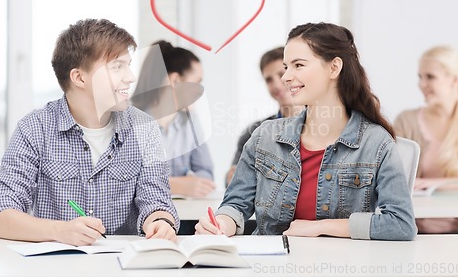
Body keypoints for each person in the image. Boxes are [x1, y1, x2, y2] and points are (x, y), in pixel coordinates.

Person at [195, 22, 417, 240]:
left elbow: (400, 223)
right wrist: (221, 223)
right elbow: (235, 205)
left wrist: (320, 227)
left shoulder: (376, 143)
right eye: (286, 67)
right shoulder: (265, 137)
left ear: (334, 68)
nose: (285, 77)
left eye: (298, 65)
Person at [0, 19, 179, 246]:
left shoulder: (144, 128)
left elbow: (156, 200)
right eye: (117, 67)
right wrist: (59, 231)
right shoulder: (34, 128)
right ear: (79, 77)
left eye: (128, 65)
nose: (130, 77)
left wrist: (160, 222)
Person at [131, 40, 215, 198]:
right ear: (175, 80)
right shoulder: (130, 120)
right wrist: (174, 184)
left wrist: (193, 182)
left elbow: (206, 172)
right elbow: (119, 180)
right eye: (197, 82)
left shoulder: (190, 122)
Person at [394, 46, 458, 234]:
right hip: (417, 229)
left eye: (430, 77)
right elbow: (392, 176)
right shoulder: (406, 121)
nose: (422, 84)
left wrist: (436, 183)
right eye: (420, 77)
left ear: (454, 80)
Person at [225, 47, 304, 186]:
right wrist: (232, 177)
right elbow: (232, 184)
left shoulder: (322, 126)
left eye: (281, 74)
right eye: (269, 80)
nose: (276, 86)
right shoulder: (254, 132)